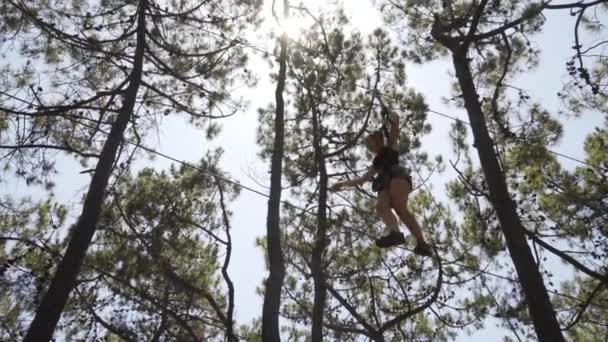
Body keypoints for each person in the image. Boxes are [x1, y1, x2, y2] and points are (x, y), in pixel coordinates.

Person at [329, 110, 432, 256]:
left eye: (371, 143)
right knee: (380, 206)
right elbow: (362, 179)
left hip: (397, 178)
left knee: (400, 210)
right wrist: (342, 184)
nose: (370, 148)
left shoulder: (391, 147)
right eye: (369, 146)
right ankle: (395, 233)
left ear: (378, 141)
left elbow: (395, 127)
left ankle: (422, 242)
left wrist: (391, 118)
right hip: (385, 183)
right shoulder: (376, 163)